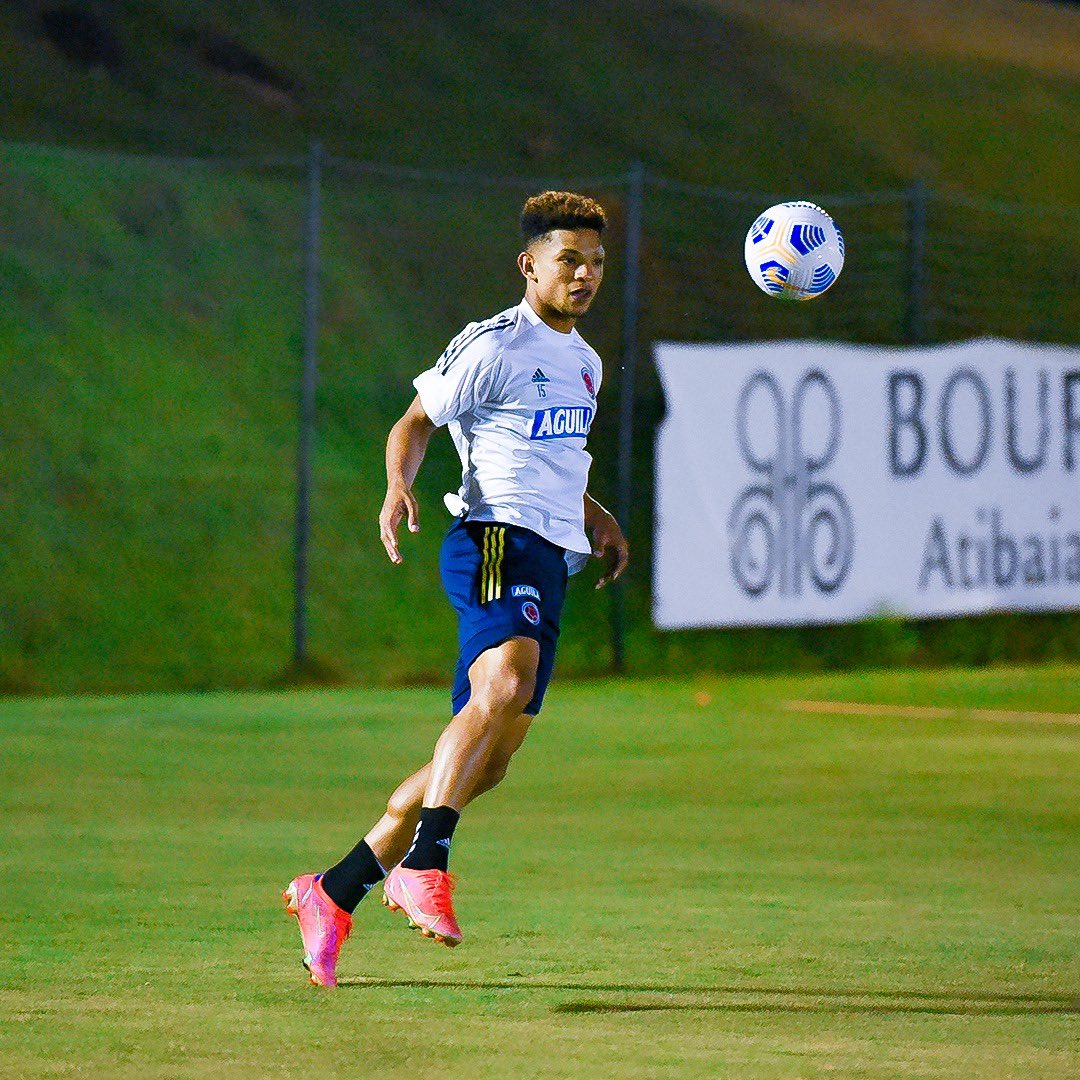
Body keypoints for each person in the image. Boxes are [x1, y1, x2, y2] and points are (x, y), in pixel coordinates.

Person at [284, 190, 629, 987]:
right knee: (503, 681)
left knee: (489, 759)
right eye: (568, 260)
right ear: (530, 265)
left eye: (597, 263)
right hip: (491, 539)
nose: (584, 275)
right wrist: (395, 485)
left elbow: (550, 457)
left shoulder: (585, 361)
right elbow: (414, 423)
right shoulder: (494, 346)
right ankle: (425, 862)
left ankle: (335, 891)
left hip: (549, 555)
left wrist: (596, 514)